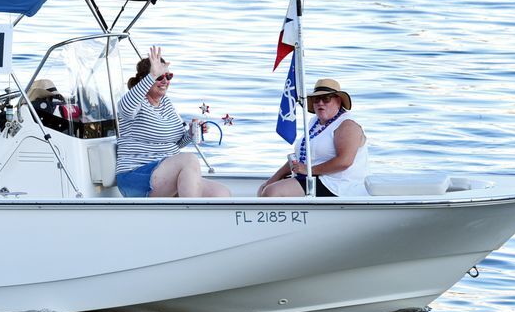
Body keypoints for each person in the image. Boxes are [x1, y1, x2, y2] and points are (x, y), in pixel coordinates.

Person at [114, 47, 231, 199]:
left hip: (164, 174)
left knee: (221, 193)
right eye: (159, 77)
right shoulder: (136, 103)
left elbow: (176, 143)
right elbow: (125, 108)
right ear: (145, 79)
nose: (165, 81)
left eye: (168, 76)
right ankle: (190, 216)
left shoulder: (165, 103)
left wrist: (191, 133)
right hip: (136, 175)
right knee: (189, 160)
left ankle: (194, 216)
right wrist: (151, 76)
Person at [258, 78, 369, 197]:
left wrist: (308, 170)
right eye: (316, 99)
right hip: (313, 178)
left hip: (339, 186)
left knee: (272, 192)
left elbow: (344, 162)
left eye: (326, 98)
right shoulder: (314, 122)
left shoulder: (347, 125)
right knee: (265, 188)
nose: (320, 103)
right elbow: (300, 159)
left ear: (338, 101)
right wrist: (273, 178)